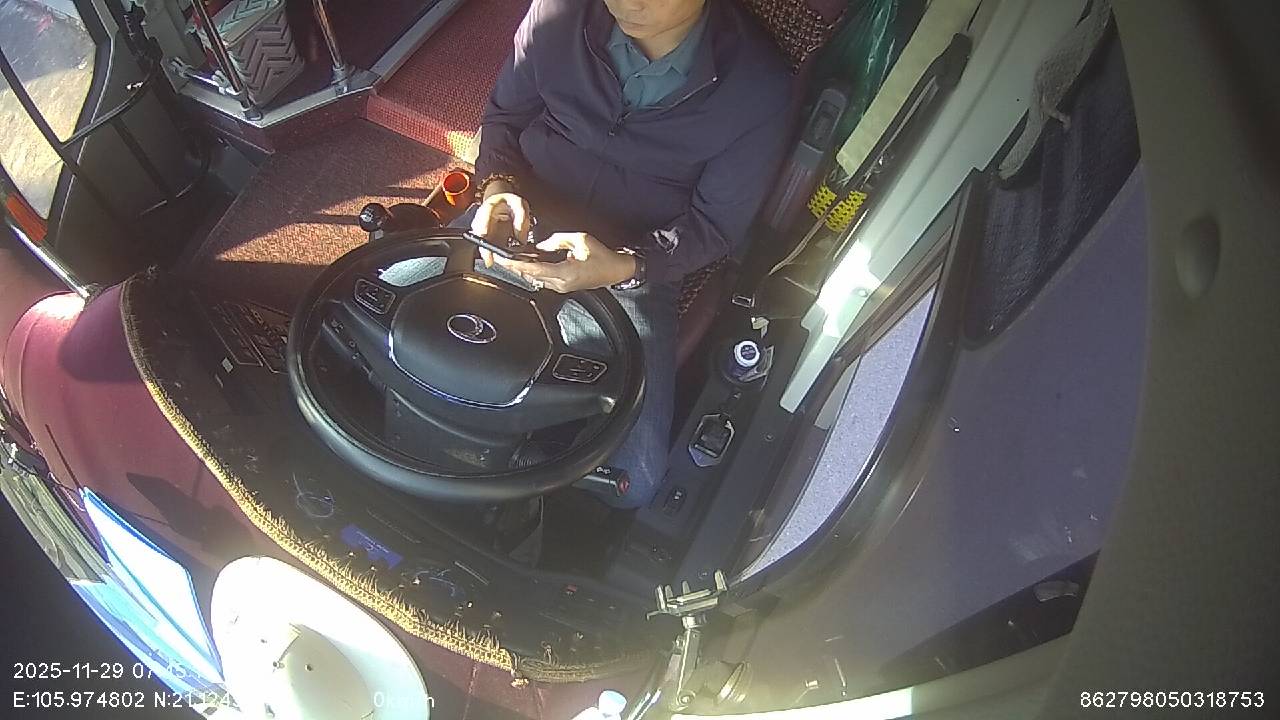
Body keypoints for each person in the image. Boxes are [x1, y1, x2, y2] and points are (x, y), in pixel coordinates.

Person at [467, 0, 793, 508]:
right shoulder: (557, 13)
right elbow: (504, 117)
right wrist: (497, 188)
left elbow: (715, 227)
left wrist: (625, 265)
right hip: (519, 223)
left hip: (635, 262)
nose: (627, 3)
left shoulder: (759, 87)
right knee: (373, 307)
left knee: (631, 481)